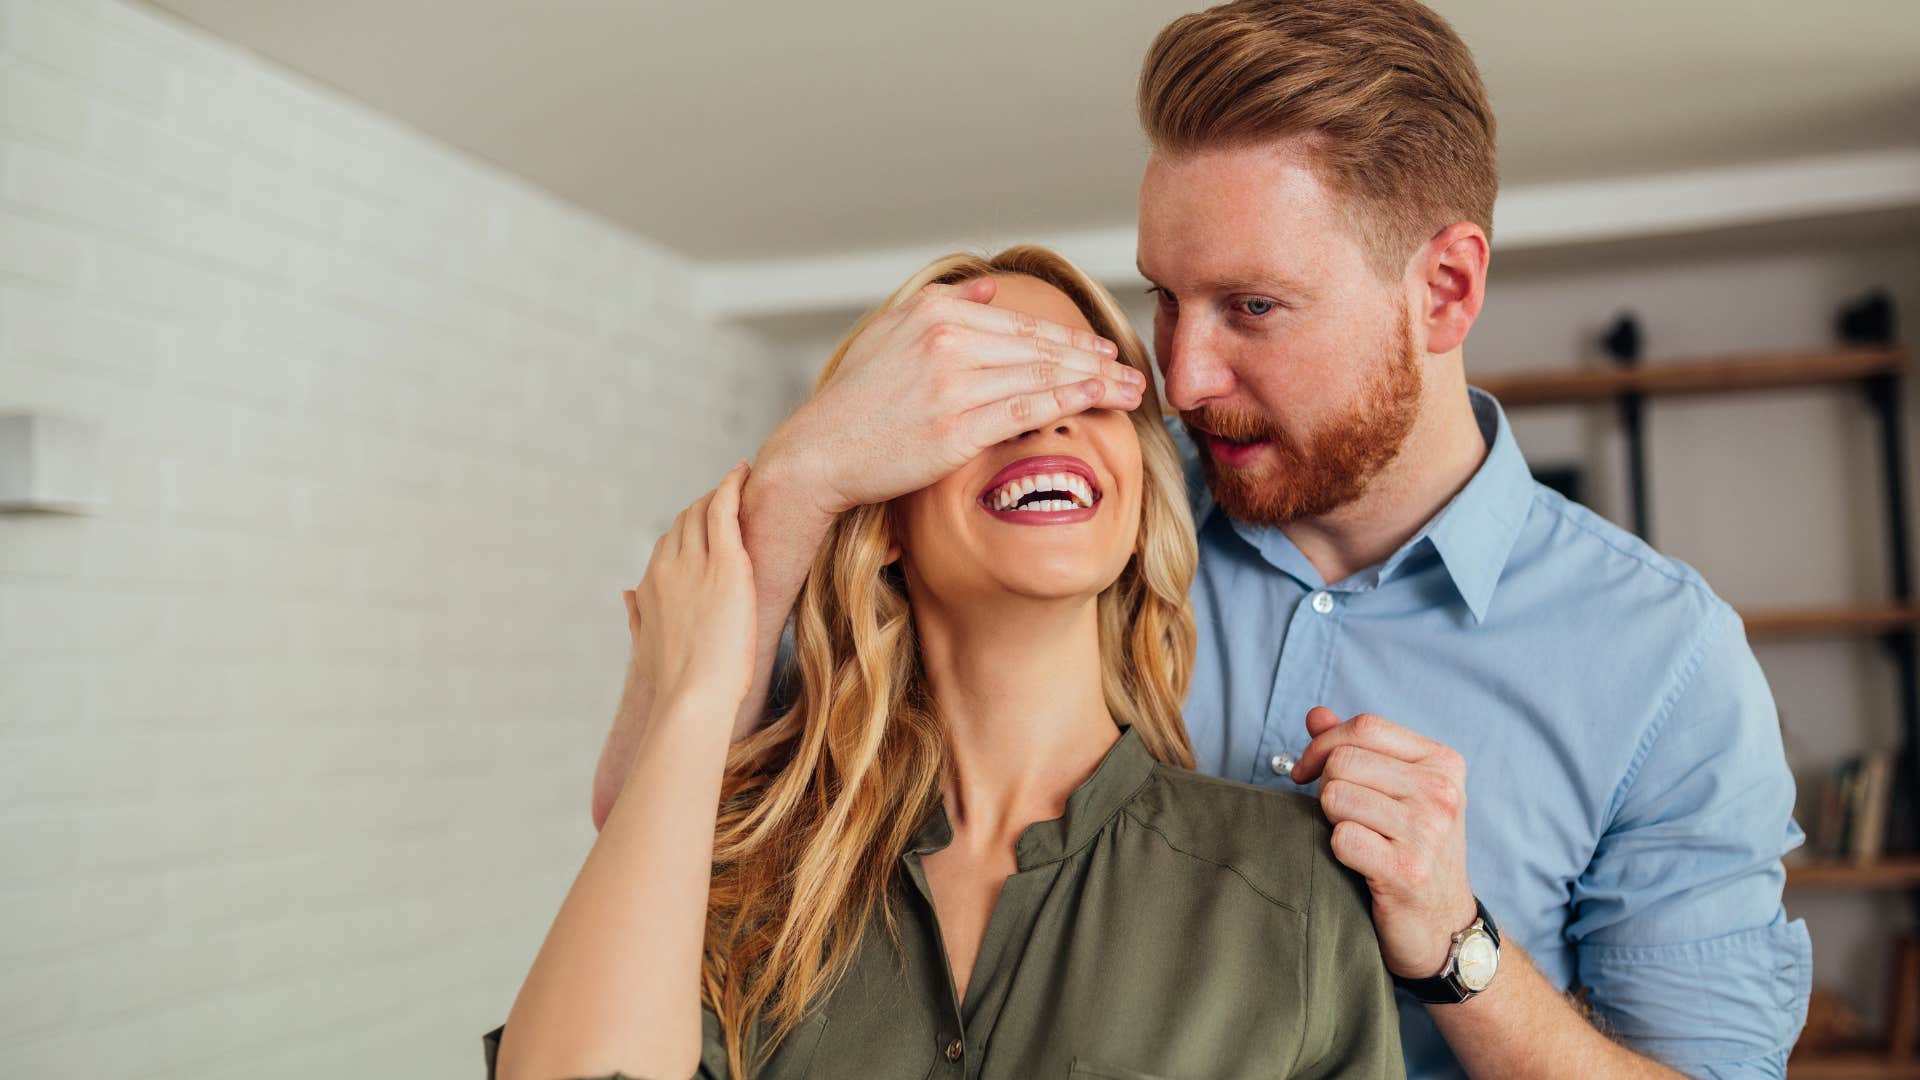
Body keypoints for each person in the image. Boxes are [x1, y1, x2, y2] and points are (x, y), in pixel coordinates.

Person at [593, 2, 1813, 1077]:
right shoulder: (1083, 529)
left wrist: (1460, 950)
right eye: (1165, 299)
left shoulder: (1664, 663)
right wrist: (809, 469)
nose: (1179, 372)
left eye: (1254, 308)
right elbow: (653, 815)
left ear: (1443, 290)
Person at [489, 247, 1406, 1079]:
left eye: (1086, 392)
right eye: (976, 398)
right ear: (879, 513)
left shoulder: (1291, 885)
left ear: (1136, 491)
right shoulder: (749, 874)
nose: (1044, 424)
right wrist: (696, 688)